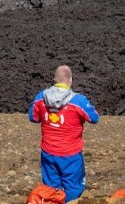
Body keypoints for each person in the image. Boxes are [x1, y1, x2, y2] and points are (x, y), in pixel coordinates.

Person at [29, 64, 100, 202]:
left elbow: (33, 117)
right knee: (73, 187)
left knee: (51, 187)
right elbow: (94, 118)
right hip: (70, 153)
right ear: (71, 80)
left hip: (48, 151)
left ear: (54, 79)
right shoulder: (78, 100)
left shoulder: (40, 97)